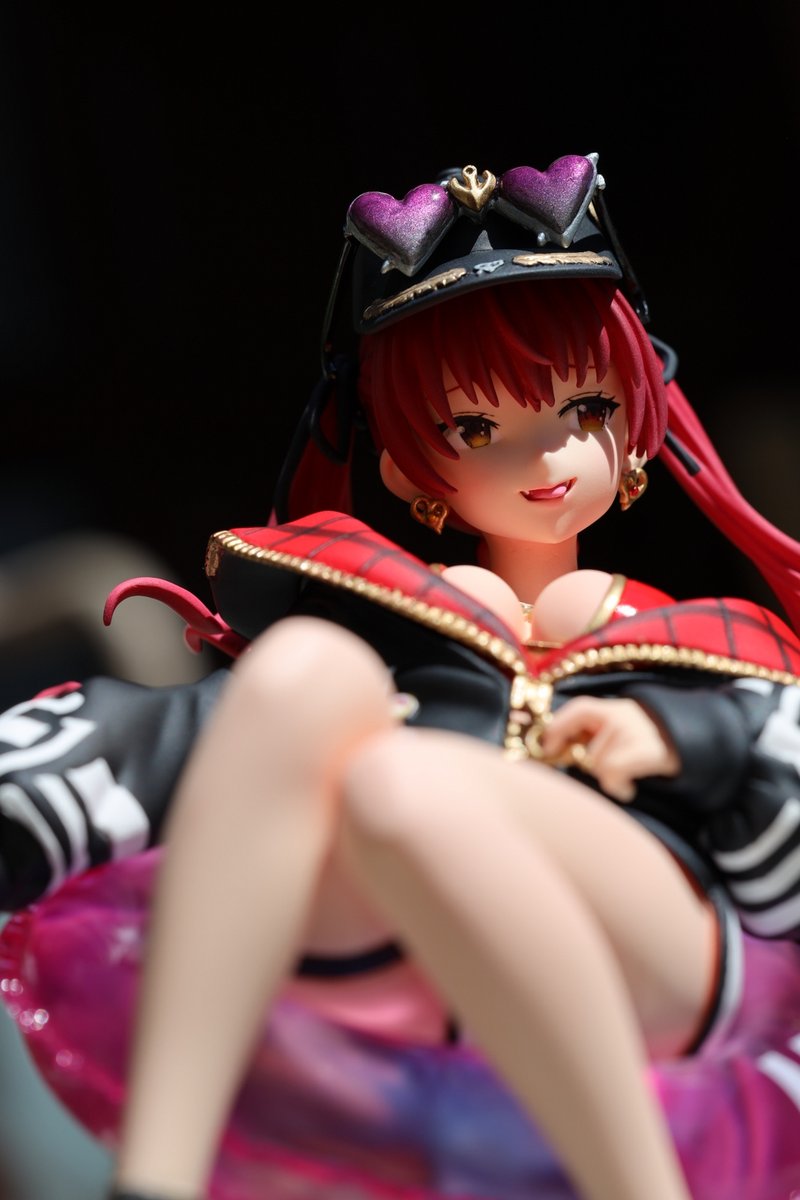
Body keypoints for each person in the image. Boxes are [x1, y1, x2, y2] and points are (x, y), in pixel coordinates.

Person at [3, 152, 800, 1200]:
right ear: (403, 465)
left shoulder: (708, 637)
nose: (544, 457)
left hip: (654, 946)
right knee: (307, 677)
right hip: (402, 945)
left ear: (640, 407)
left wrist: (682, 739)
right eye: (477, 428)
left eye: (584, 409)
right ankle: (155, 1180)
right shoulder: (378, 615)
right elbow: (240, 739)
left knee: (399, 778)